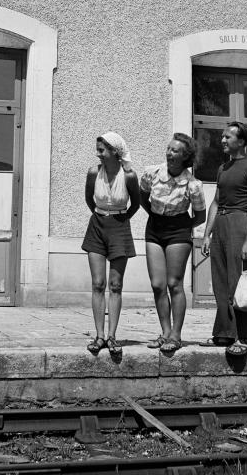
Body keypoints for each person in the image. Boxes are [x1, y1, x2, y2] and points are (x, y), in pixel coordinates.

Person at [201, 122, 247, 357]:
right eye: (222, 136)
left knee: (239, 280)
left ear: (242, 141)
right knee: (220, 281)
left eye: (228, 137)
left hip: (240, 222)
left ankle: (244, 336)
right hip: (221, 224)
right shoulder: (223, 168)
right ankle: (225, 333)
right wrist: (207, 234)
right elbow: (216, 202)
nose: (223, 140)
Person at [140, 133, 207, 353]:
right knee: (157, 284)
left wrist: (182, 226)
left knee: (174, 283)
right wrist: (157, 216)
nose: (169, 153)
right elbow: (143, 198)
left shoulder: (193, 184)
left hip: (178, 230)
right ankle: (165, 332)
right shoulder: (151, 173)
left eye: (175, 151)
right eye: (169, 149)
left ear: (185, 156)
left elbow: (200, 215)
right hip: (155, 228)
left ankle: (176, 335)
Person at [82, 132, 140, 356]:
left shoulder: (129, 176)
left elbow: (136, 204)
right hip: (97, 225)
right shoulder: (93, 172)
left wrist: (120, 220)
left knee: (116, 284)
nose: (98, 153)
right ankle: (99, 336)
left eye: (102, 150)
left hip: (119, 225)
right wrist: (101, 216)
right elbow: (89, 199)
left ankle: (113, 336)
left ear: (114, 152)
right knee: (98, 283)